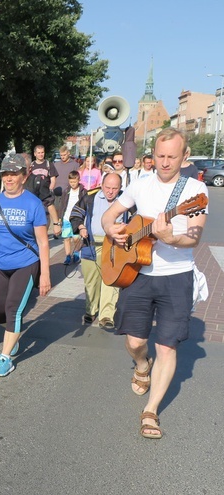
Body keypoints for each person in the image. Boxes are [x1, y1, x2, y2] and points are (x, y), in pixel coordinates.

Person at [101, 128, 208, 439]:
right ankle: (141, 364)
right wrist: (112, 230)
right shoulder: (140, 184)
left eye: (172, 157)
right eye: (160, 156)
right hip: (137, 275)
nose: (164, 162)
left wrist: (170, 236)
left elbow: (194, 236)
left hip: (176, 277)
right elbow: (110, 215)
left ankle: (151, 411)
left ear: (184, 156)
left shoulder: (195, 191)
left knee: (166, 346)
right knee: (135, 342)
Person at [0, 154, 51, 377]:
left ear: (23, 177)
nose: (9, 178)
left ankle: (5, 358)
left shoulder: (33, 204)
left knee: (13, 309)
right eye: (5, 174)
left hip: (25, 264)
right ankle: (11, 334)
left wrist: (45, 274)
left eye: (14, 174)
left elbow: (43, 242)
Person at [69, 173, 123, 326]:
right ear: (102, 185)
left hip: (115, 246)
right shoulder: (90, 196)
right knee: (91, 282)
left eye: (115, 188)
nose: (111, 192)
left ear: (120, 187)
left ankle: (107, 315)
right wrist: (80, 226)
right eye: (107, 187)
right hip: (91, 244)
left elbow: (135, 218)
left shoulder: (126, 199)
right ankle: (91, 310)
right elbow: (75, 214)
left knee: (111, 281)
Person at [26, 145, 61, 238]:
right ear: (35, 154)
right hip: (33, 192)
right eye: (39, 153)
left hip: (45, 191)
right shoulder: (31, 165)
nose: (41, 154)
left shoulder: (48, 164)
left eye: (42, 152)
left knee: (47, 210)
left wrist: (50, 188)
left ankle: (53, 226)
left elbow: (53, 179)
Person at [57, 170, 86, 265]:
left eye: (74, 182)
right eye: (71, 182)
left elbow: (85, 204)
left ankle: (77, 252)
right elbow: (62, 205)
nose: (72, 184)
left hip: (76, 219)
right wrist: (60, 217)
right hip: (66, 217)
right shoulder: (66, 191)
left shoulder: (83, 192)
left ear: (79, 180)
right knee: (66, 238)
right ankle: (68, 256)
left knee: (76, 238)